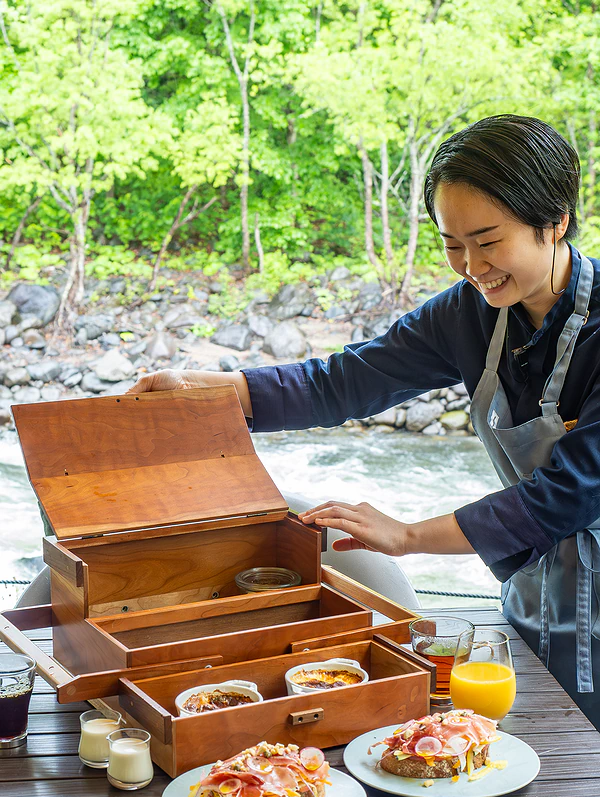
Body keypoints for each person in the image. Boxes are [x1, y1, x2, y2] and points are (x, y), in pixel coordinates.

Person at [129, 114, 600, 729]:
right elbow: (345, 381)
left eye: (487, 241)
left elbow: (567, 495)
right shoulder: (469, 314)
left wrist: (405, 536)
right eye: (451, 244)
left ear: (556, 220)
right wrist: (211, 392)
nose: (469, 266)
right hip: (541, 587)